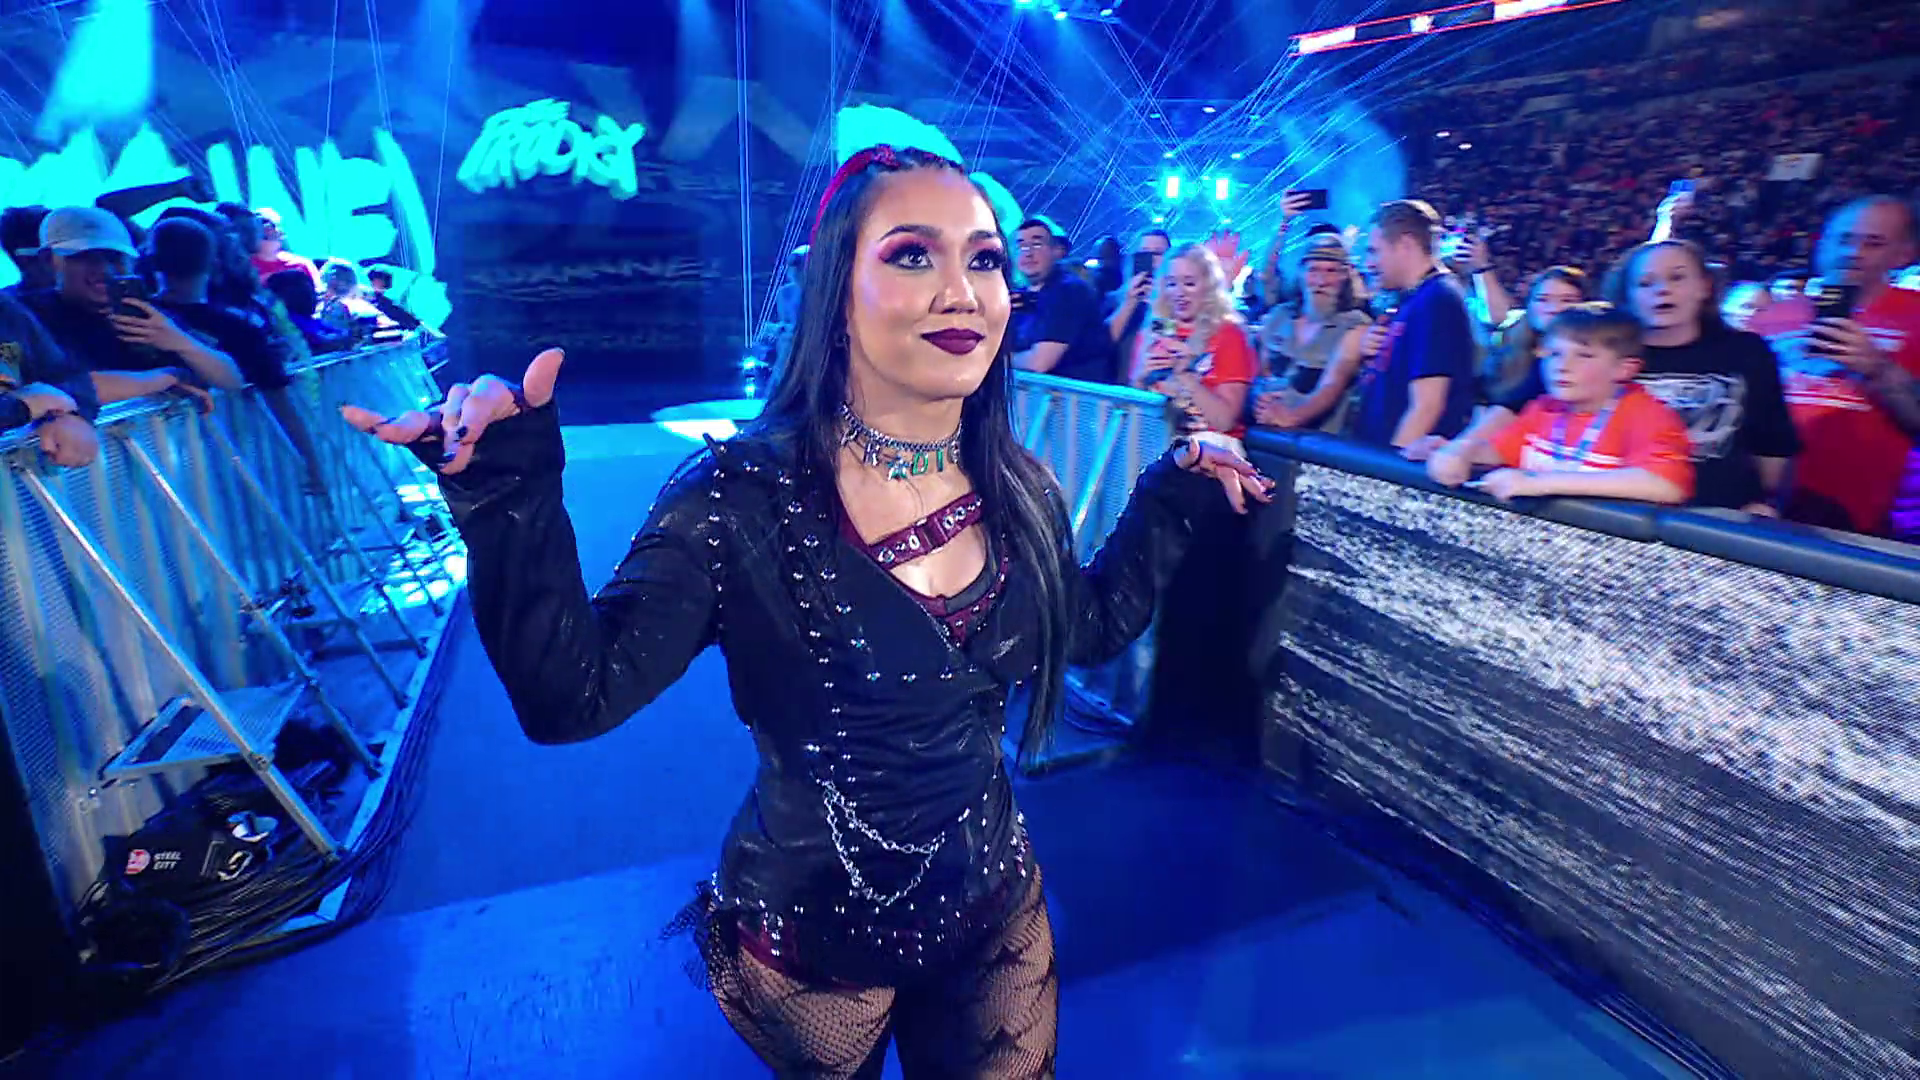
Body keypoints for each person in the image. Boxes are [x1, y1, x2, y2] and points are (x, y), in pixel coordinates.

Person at [342, 143, 1271, 1078]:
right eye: (913, 254)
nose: (962, 292)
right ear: (836, 288)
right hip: (809, 943)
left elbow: (1091, 625)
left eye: (984, 258)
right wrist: (510, 501)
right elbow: (571, 698)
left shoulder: (1017, 485)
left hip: (994, 911)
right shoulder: (739, 499)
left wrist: (1174, 490)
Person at [1426, 302, 1693, 505]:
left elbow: (1666, 485)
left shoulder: (1648, 415)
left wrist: (1539, 483)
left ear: (1624, 369)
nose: (1562, 366)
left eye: (1584, 355)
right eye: (1554, 353)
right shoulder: (1544, 407)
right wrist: (1458, 451)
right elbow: (1498, 451)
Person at [1606, 239, 1799, 514]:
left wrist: (1767, 502)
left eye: (1677, 278)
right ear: (1627, 296)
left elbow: (1772, 441)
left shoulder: (1746, 351)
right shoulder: (1604, 352)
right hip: (1620, 512)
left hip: (1719, 516)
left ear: (1704, 286)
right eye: (1645, 283)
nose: (1663, 290)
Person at [1347, 200, 1477, 449]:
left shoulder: (1438, 299)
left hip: (1393, 464)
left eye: (1374, 251)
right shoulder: (1415, 298)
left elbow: (1426, 407)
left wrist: (1386, 468)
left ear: (1406, 244)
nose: (1369, 263)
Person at [1128, 242, 1258, 448]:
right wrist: (1140, 377)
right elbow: (1133, 409)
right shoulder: (1152, 332)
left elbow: (1224, 422)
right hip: (1154, 443)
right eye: (1171, 284)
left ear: (1208, 286)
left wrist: (1184, 375)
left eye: (1189, 283)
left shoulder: (1230, 333)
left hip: (1211, 448)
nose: (1179, 293)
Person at [1251, 232, 1370, 433]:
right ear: (1301, 273)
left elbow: (1331, 386)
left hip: (1314, 444)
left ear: (1344, 276)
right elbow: (1259, 372)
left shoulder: (1356, 327)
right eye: (1313, 270)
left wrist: (1291, 418)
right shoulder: (1279, 317)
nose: (1321, 281)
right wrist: (1257, 398)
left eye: (1331, 271)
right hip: (1263, 435)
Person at [1010, 216, 1113, 383]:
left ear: (1054, 251)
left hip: (1076, 394)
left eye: (1037, 244)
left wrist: (998, 361)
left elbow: (1040, 362)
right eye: (1021, 246)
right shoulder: (1020, 296)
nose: (1028, 252)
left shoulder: (1070, 291)